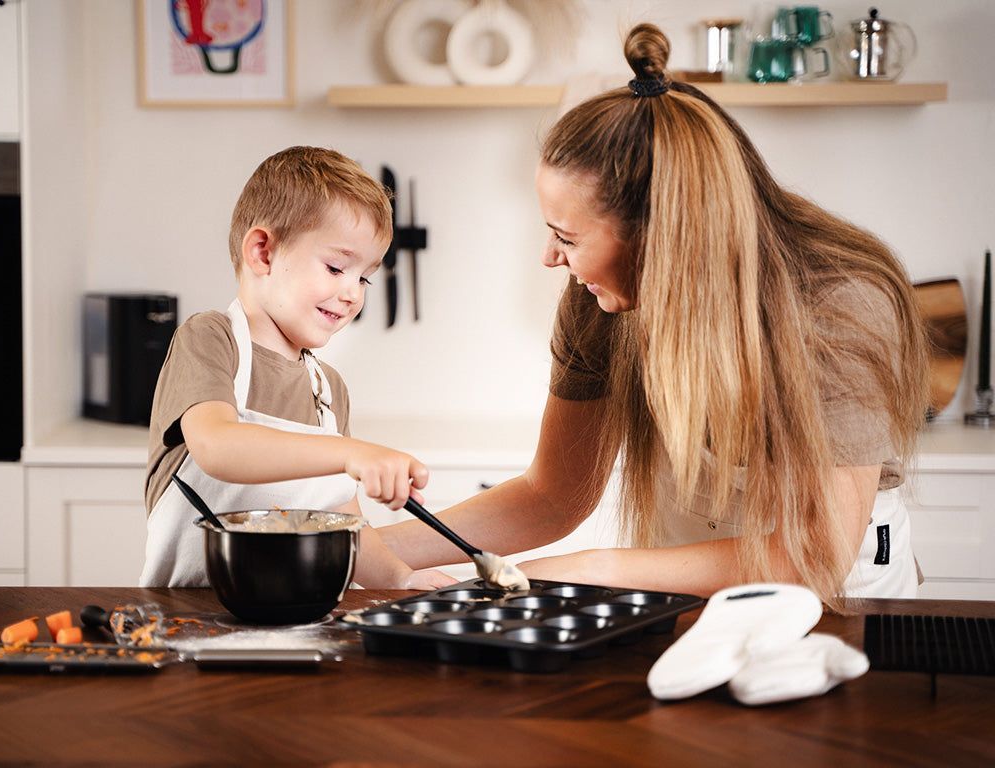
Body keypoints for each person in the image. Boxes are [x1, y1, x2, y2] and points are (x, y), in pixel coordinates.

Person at [380, 24, 929, 609]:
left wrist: (585, 569)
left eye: (566, 236)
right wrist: (368, 546)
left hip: (839, 592)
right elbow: (553, 496)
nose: (549, 257)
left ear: (661, 235)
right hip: (680, 580)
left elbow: (814, 552)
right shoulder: (599, 305)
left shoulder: (838, 305)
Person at [140, 146, 455, 590]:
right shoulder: (210, 339)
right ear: (263, 252)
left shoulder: (329, 391)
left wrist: (400, 579)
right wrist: (353, 453)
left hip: (297, 618)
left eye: (363, 277)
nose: (352, 294)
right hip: (188, 621)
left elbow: (345, 519)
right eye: (336, 267)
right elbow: (217, 446)